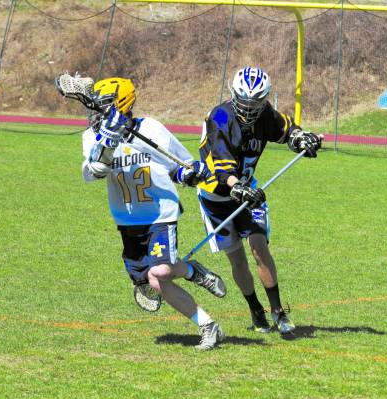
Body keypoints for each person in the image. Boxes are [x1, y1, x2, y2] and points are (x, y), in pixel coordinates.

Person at [80, 77, 227, 350]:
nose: (96, 113)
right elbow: (92, 173)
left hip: (160, 213)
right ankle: (201, 296)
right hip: (126, 219)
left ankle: (204, 323)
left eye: (103, 106)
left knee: (159, 272)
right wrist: (106, 147)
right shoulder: (92, 137)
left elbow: (180, 166)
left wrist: (190, 174)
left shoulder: (150, 129)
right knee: (150, 282)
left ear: (119, 104)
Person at [196, 67, 322, 336]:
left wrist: (303, 140)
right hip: (217, 196)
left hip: (249, 191)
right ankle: (255, 310)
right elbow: (222, 169)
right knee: (238, 259)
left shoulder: (265, 114)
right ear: (234, 95)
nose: (251, 108)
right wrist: (237, 187)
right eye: (245, 102)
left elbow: (287, 130)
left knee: (259, 247)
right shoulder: (219, 116)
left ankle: (278, 312)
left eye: (257, 102)